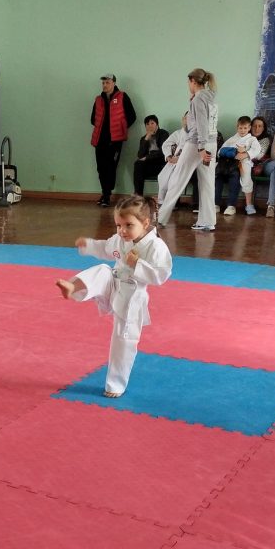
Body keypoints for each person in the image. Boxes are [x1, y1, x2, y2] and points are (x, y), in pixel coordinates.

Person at [54, 195, 173, 398]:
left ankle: (115, 384)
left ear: (145, 223)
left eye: (128, 225)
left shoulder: (156, 246)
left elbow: (161, 275)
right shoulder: (120, 240)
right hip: (113, 284)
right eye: (118, 225)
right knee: (103, 270)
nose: (122, 231)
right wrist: (88, 245)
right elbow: (104, 248)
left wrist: (138, 264)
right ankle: (73, 287)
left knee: (123, 341)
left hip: (132, 298)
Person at [156, 68, 219, 231]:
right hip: (212, 144)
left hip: (197, 145)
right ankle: (208, 221)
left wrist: (201, 147)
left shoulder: (198, 99)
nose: (188, 86)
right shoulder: (210, 96)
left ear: (193, 81)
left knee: (177, 179)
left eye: (188, 82)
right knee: (207, 183)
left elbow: (201, 124)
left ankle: (161, 218)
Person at [90, 74, 137, 207]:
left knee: (110, 167)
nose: (105, 85)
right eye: (103, 83)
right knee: (101, 168)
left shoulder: (122, 96)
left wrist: (121, 127)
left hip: (115, 140)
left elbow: (132, 116)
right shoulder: (98, 99)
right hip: (100, 140)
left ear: (114, 83)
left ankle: (106, 195)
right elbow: (93, 119)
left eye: (107, 82)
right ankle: (105, 193)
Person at [215, 116, 263, 215]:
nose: (242, 130)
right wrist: (232, 152)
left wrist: (246, 152)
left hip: (244, 162)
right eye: (240, 128)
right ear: (237, 127)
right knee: (217, 175)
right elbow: (220, 151)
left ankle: (244, 205)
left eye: (245, 128)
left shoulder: (252, 139)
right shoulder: (233, 138)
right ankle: (215, 204)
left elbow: (257, 150)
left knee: (246, 178)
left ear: (249, 128)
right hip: (229, 162)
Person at [133, 115, 169, 195]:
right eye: (147, 124)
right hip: (149, 165)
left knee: (141, 162)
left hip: (161, 165)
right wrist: (147, 138)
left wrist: (147, 157)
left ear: (157, 125)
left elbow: (163, 151)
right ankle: (138, 195)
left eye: (152, 123)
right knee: (138, 164)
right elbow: (140, 155)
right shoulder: (144, 138)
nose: (150, 126)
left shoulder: (163, 133)